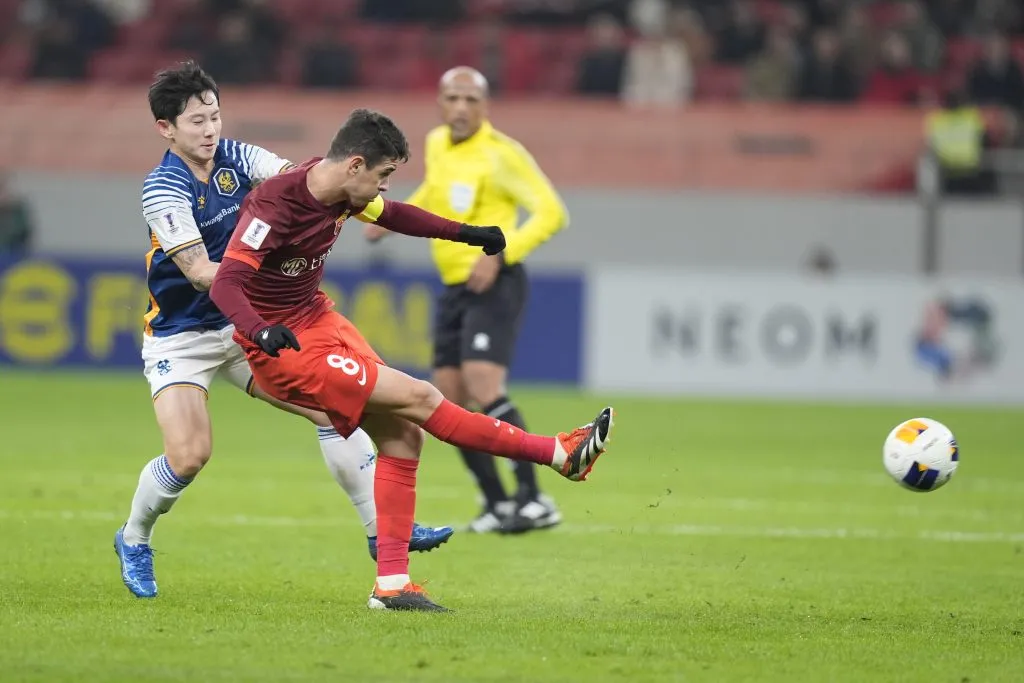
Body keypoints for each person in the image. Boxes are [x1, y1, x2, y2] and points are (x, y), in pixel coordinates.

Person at [209, 108, 615, 612]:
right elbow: (227, 281)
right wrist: (259, 328)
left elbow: (397, 216)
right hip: (287, 345)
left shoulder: (341, 190)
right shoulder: (275, 205)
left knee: (404, 433)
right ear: (356, 165)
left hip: (319, 318)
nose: (384, 190)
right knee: (422, 397)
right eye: (384, 176)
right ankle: (557, 454)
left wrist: (466, 234)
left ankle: (392, 586)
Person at [113, 62, 453, 600]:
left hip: (248, 328)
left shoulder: (240, 157)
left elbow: (302, 186)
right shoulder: (162, 189)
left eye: (216, 116)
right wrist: (259, 255)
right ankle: (134, 537)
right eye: (197, 120)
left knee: (334, 408)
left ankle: (382, 533)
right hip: (183, 337)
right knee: (189, 456)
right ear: (166, 129)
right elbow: (204, 274)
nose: (210, 129)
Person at [364, 67, 569, 535]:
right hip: (454, 286)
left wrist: (502, 253)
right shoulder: (437, 143)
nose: (460, 108)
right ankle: (498, 504)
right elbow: (436, 189)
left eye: (470, 100)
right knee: (449, 400)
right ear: (440, 102)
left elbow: (552, 212)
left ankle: (534, 499)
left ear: (485, 106)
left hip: (496, 281)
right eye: (452, 98)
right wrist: (385, 216)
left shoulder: (502, 155)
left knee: (482, 383)